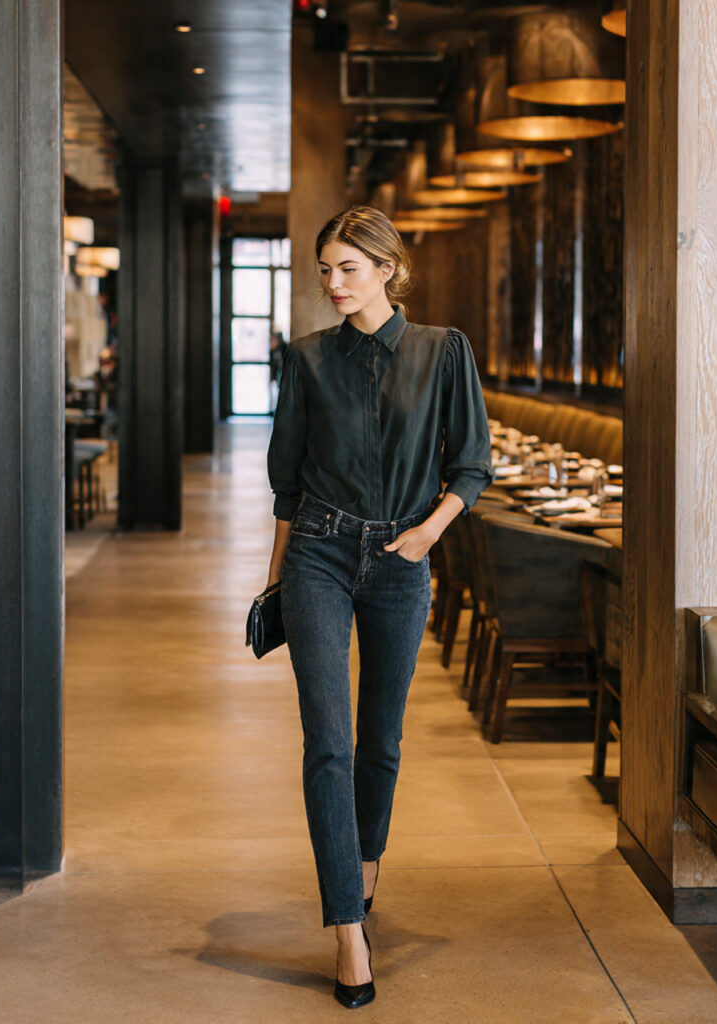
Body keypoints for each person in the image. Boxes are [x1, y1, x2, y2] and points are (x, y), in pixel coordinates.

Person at [265, 205, 492, 1009]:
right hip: (319, 557)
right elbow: (287, 489)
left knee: (380, 743)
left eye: (348, 268)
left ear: (388, 269)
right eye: (324, 268)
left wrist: (429, 533)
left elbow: (471, 464)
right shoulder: (306, 361)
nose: (332, 283)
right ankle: (347, 932)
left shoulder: (443, 353)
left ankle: (361, 872)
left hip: (402, 558)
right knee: (327, 738)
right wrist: (276, 581)